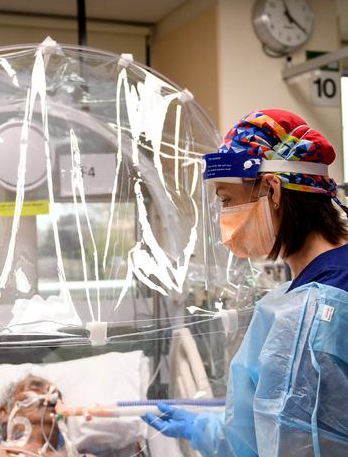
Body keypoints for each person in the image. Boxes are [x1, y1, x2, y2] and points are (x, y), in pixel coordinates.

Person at [142, 109, 348, 456]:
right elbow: (261, 431)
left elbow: (297, 441)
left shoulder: (318, 309)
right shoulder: (302, 294)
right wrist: (204, 430)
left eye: (227, 201)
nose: (225, 220)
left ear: (272, 190)